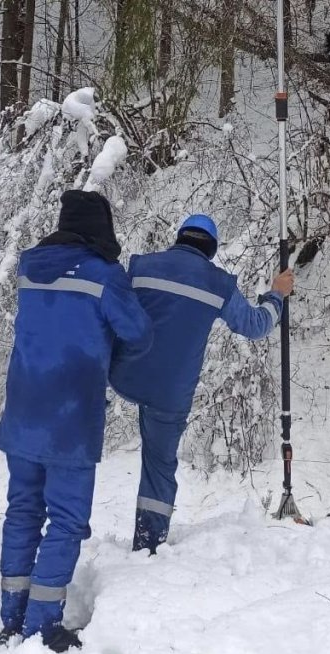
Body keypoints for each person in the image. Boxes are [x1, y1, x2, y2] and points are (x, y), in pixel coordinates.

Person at [0, 190, 152, 651]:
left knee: (23, 511)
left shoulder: (29, 267)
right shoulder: (105, 276)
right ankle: (42, 625)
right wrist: (109, 354)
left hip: (22, 413)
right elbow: (139, 334)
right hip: (70, 420)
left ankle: (12, 616)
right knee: (65, 521)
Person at [109, 214, 295, 553]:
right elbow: (254, 325)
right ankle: (148, 545)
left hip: (124, 375)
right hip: (169, 392)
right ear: (211, 249)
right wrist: (276, 296)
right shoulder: (218, 283)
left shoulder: (141, 265)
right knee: (159, 466)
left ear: (179, 238)